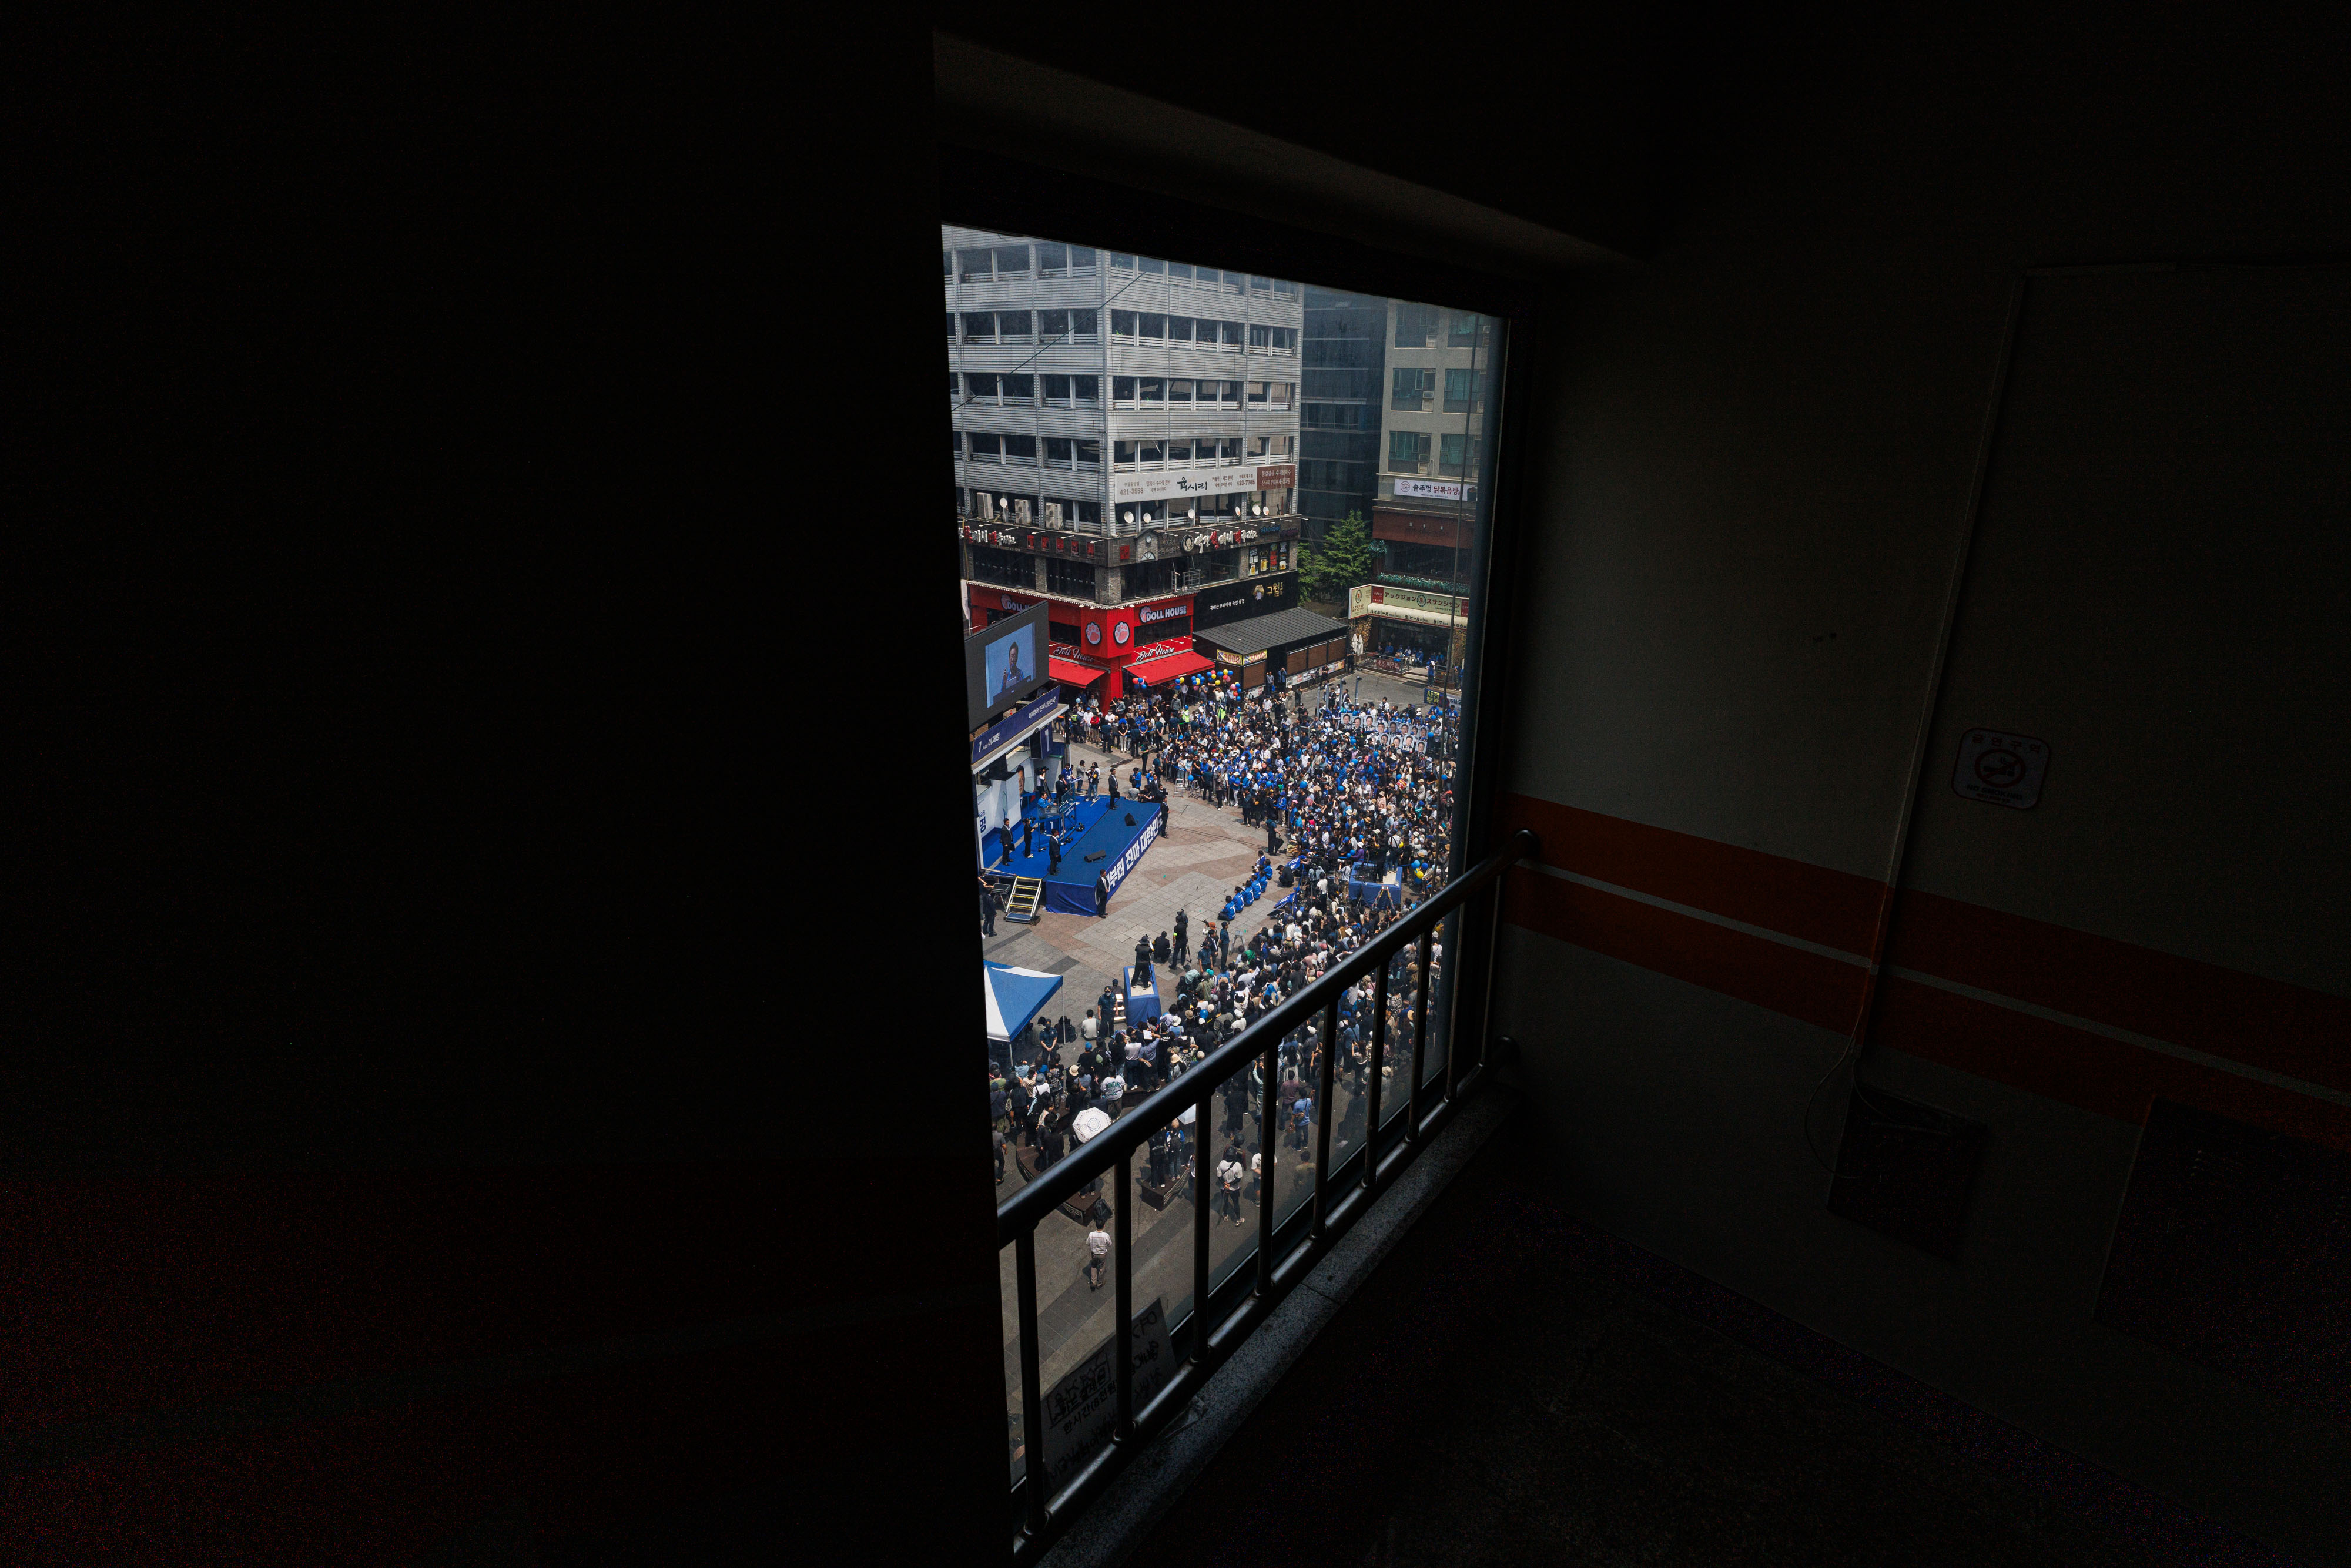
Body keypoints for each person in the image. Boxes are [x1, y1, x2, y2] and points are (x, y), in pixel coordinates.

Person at [1086, 1218, 1111, 1290]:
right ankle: (1099, 1284)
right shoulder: (1106, 1236)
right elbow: (1110, 1244)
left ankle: (1093, 1282)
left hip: (1094, 1254)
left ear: (1096, 1225)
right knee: (1101, 1268)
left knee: (1094, 1266)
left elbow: (1087, 1243)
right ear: (1104, 1226)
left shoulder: (1091, 1234)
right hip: (1102, 1255)